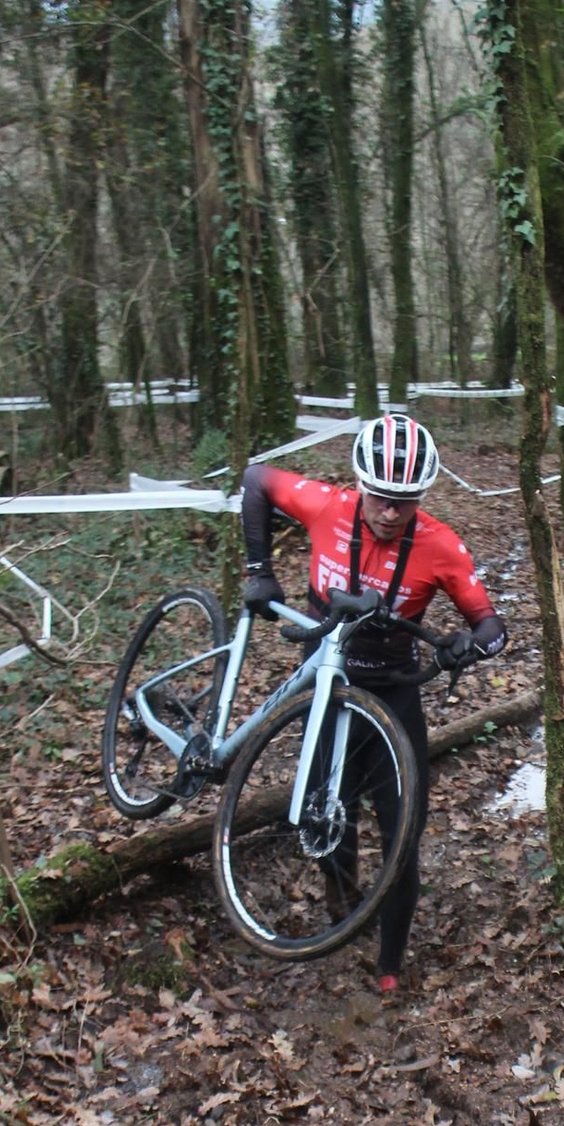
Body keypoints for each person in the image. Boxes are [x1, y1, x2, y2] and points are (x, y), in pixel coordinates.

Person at [238, 412, 509, 994]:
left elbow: (492, 626)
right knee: (322, 815)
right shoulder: (326, 506)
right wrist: (258, 570)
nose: (390, 511)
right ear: (360, 483)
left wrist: (470, 644)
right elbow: (256, 478)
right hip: (324, 685)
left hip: (392, 693)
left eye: (405, 501)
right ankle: (345, 912)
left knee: (401, 834)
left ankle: (390, 962)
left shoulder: (440, 546)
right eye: (381, 496)